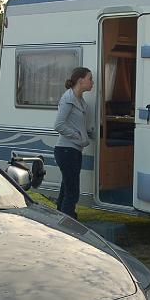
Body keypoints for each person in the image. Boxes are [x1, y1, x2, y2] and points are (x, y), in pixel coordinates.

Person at [53, 66, 94, 219]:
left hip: (73, 151)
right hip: (66, 150)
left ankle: (60, 220)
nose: (92, 82)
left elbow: (75, 123)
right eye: (90, 79)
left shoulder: (78, 99)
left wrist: (85, 133)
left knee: (66, 189)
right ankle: (69, 223)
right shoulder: (68, 99)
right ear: (80, 80)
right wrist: (78, 136)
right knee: (72, 192)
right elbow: (59, 125)